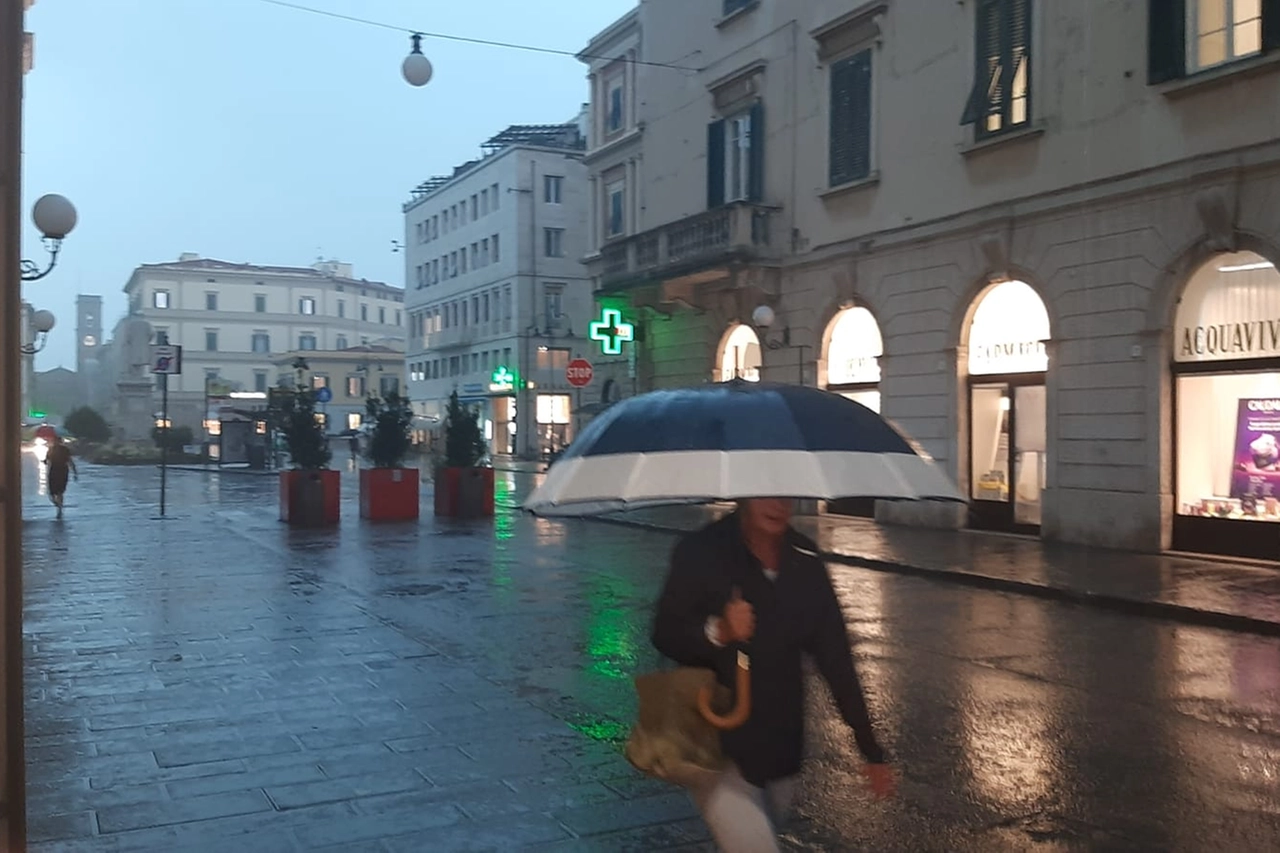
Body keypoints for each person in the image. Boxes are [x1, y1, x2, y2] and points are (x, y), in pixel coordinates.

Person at [652, 498, 895, 852]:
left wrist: (870, 749)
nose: (779, 503)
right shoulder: (703, 550)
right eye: (767, 490)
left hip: (782, 748)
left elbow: (836, 660)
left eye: (787, 492)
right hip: (717, 746)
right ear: (744, 493)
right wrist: (719, 630)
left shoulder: (805, 560)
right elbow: (665, 632)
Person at [44, 436, 78, 520]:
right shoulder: (58, 449)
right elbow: (70, 461)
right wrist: (75, 472)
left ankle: (59, 508)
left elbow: (47, 460)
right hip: (60, 471)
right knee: (57, 492)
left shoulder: (54, 449)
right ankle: (59, 506)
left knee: (55, 492)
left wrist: (75, 472)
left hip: (57, 471)